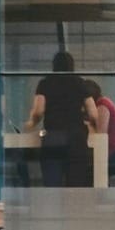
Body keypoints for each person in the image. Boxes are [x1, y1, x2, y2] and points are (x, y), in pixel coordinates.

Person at [24, 51, 97, 187]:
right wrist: (88, 122)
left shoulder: (45, 83)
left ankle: (53, 208)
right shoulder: (80, 83)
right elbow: (93, 113)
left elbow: (39, 110)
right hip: (76, 138)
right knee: (76, 186)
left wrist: (32, 122)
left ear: (54, 66)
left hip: (53, 136)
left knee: (52, 184)